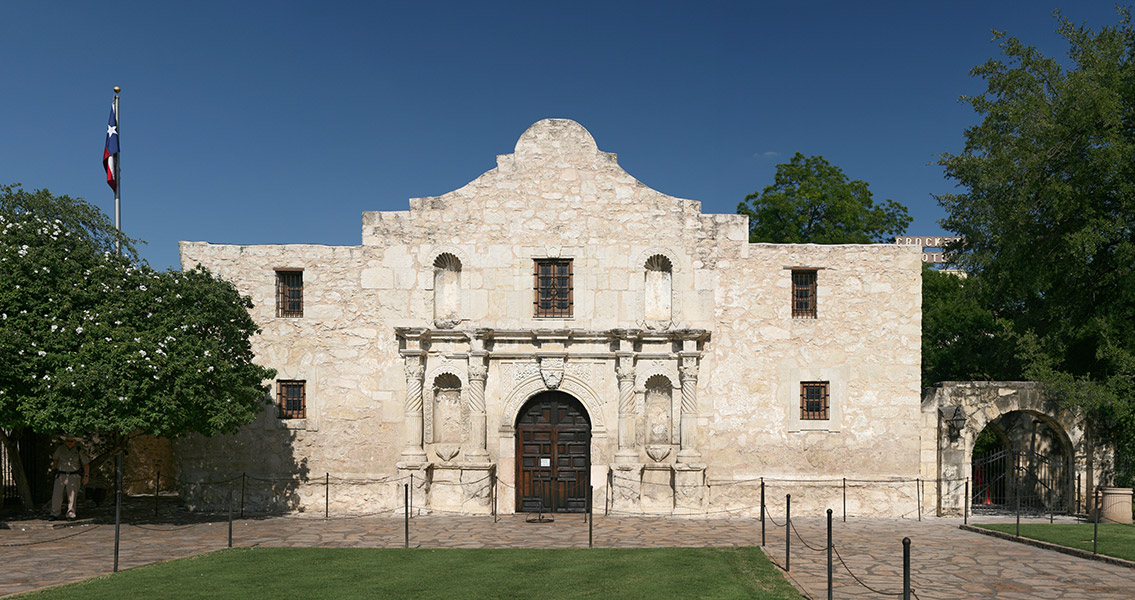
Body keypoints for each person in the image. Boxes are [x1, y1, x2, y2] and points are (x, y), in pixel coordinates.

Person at [49, 434, 90, 521]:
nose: (69, 443)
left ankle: (71, 514)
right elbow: (55, 459)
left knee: (72, 495)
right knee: (57, 494)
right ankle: (54, 513)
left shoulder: (79, 450)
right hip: (61, 475)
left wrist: (86, 476)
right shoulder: (60, 449)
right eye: (68, 440)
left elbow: (86, 464)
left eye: (71, 441)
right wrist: (56, 468)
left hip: (73, 475)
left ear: (75, 441)